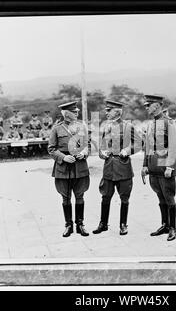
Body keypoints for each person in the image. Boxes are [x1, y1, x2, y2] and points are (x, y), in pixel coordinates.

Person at [93, 100, 140, 236]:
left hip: (123, 166)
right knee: (105, 196)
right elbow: (101, 147)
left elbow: (138, 143)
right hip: (108, 167)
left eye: (109, 110)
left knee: (124, 197)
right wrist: (102, 153)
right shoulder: (106, 127)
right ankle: (103, 224)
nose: (106, 113)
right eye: (106, 110)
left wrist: (128, 150)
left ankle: (123, 224)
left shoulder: (127, 126)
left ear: (117, 112)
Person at [141, 94, 176, 241]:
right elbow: (147, 147)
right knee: (160, 197)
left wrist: (170, 166)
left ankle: (173, 228)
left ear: (157, 106)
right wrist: (145, 165)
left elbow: (174, 146)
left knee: (169, 198)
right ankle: (165, 225)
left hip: (165, 167)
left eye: (148, 105)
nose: (146, 107)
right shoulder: (151, 124)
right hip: (153, 167)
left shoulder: (169, 123)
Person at [48, 101, 90, 237]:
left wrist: (83, 153)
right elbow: (51, 149)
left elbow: (87, 145)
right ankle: (68, 225)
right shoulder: (56, 128)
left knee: (80, 196)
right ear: (66, 114)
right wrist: (63, 157)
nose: (77, 113)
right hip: (63, 168)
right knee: (65, 198)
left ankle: (80, 224)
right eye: (74, 111)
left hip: (79, 166)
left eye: (77, 111)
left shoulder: (81, 127)